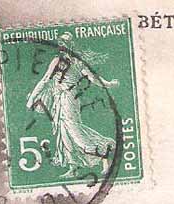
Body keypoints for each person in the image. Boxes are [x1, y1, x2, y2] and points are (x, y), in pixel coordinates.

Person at [26, 33, 119, 178]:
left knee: (74, 130)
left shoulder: (73, 62)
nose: (61, 46)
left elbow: (93, 78)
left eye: (64, 43)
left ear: (69, 45)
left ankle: (104, 152)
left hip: (68, 99)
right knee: (64, 132)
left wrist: (108, 84)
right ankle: (73, 167)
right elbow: (46, 80)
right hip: (61, 99)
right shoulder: (66, 61)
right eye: (60, 43)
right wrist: (109, 84)